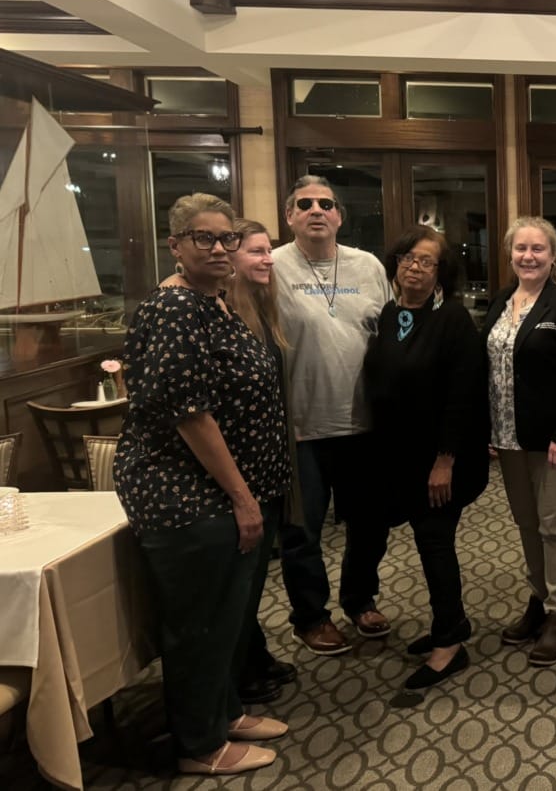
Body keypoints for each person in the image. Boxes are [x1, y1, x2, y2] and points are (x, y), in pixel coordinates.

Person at [114, 194, 290, 775]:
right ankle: (199, 743)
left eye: (226, 238)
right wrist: (242, 497)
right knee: (199, 623)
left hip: (227, 494)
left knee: (227, 615)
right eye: (203, 238)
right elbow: (191, 415)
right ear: (176, 245)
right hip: (191, 498)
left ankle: (225, 711)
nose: (218, 248)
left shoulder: (213, 303)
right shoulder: (173, 310)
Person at [362, 225, 489, 690]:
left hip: (442, 459)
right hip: (400, 457)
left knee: (436, 543)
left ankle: (451, 641)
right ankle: (449, 623)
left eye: (427, 262)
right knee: (426, 542)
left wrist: (445, 459)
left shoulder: (452, 319)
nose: (415, 267)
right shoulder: (391, 312)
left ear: (442, 274)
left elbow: (464, 395)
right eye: (408, 258)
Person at [272, 176, 392, 656]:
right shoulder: (271, 266)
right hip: (300, 426)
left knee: (369, 524)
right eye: (305, 204)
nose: (316, 210)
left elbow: (389, 334)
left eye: (327, 203)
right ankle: (311, 616)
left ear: (340, 215)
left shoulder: (368, 266)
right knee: (302, 532)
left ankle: (360, 599)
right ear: (290, 216)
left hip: (364, 424)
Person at [483, 217, 556, 667]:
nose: (528, 257)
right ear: (510, 254)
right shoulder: (500, 304)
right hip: (509, 439)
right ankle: (539, 598)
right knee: (528, 525)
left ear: (553, 256)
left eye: (538, 249)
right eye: (520, 249)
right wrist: (488, 430)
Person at [225, 218, 300, 704]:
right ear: (229, 258)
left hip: (269, 466)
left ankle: (253, 656)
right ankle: (238, 675)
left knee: (252, 582)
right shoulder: (221, 315)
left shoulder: (263, 310)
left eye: (268, 250)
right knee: (237, 583)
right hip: (240, 473)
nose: (267, 258)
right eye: (255, 251)